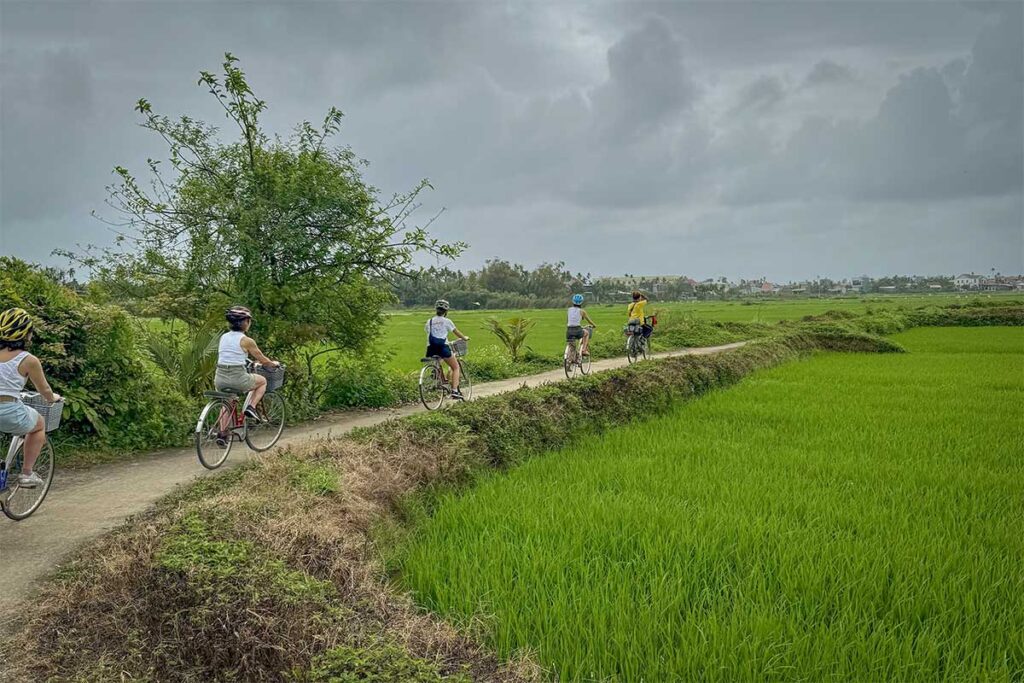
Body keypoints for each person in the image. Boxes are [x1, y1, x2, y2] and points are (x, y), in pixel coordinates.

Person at [0, 308, 60, 488]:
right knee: (39, 424)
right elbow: (44, 389)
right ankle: (27, 474)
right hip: (8, 411)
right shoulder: (28, 360)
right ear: (26, 334)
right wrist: (52, 398)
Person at [215, 306, 280, 421]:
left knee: (227, 402)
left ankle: (222, 431)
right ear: (246, 322)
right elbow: (263, 360)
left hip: (220, 380)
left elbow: (231, 355)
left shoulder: (223, 337)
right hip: (238, 379)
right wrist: (273, 364)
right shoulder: (247, 341)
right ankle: (251, 407)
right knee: (262, 381)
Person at [425, 299, 470, 400]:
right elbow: (456, 332)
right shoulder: (447, 321)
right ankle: (454, 391)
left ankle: (439, 377)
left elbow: (430, 333)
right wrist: (464, 338)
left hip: (430, 347)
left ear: (436, 309)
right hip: (442, 347)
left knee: (439, 360)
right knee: (456, 367)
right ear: (446, 311)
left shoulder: (429, 321)